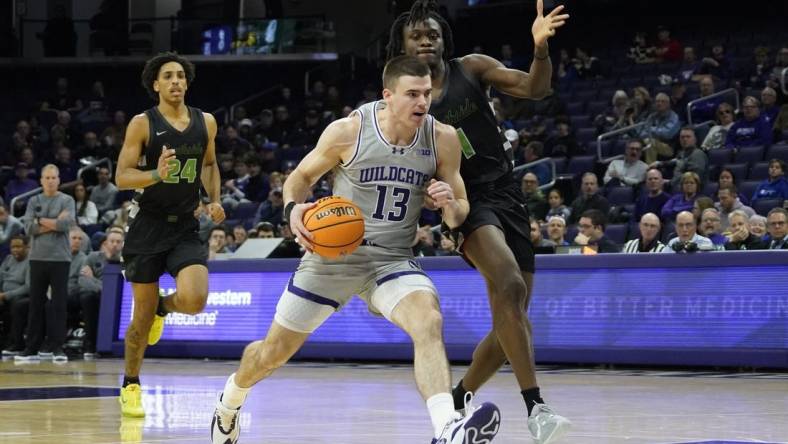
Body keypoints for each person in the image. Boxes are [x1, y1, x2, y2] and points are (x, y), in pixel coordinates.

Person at [210, 55, 501, 444]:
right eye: (412, 94)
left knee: (428, 322)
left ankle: (446, 428)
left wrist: (449, 201)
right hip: (333, 257)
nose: (422, 103)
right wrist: (295, 208)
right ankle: (231, 400)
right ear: (387, 96)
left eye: (427, 94)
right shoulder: (349, 131)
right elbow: (300, 178)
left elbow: (458, 213)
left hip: (392, 259)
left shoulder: (442, 137)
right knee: (272, 355)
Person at [387, 1, 572, 440]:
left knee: (512, 316)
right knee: (510, 286)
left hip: (506, 192)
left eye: (433, 33)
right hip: (465, 202)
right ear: (403, 46)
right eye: (417, 35)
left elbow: (535, 88)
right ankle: (537, 409)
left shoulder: (471, 68)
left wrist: (540, 49)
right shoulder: (405, 98)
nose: (427, 39)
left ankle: (459, 396)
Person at [114, 52, 225, 417]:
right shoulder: (141, 124)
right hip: (147, 225)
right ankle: (131, 383)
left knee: (195, 299)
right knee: (140, 321)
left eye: (181, 76)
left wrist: (213, 200)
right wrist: (156, 175)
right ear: (156, 85)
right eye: (168, 76)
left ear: (186, 83)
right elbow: (122, 177)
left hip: (185, 226)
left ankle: (166, 305)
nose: (176, 81)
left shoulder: (205, 121)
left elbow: (209, 164)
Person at [15, 165, 75, 363]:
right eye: (47, 177)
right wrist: (52, 223)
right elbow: (29, 228)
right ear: (41, 180)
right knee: (35, 304)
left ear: (59, 180)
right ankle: (31, 348)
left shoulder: (67, 200)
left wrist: (40, 220)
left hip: (60, 258)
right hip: (37, 258)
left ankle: (57, 347)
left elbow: (66, 225)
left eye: (54, 177)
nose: (50, 181)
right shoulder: (34, 200)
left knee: (58, 304)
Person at [78, 230, 123, 359]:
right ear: (106, 243)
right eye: (112, 241)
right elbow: (82, 280)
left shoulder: (126, 261)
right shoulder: (93, 257)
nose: (114, 244)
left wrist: (93, 279)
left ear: (122, 244)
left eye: (118, 242)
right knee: (87, 297)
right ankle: (90, 346)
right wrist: (104, 288)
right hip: (97, 295)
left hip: (119, 298)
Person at [0, 235, 30, 356]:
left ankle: (17, 343)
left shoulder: (31, 262)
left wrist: (5, 295)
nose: (15, 250)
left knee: (17, 304)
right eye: (13, 247)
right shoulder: (8, 259)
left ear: (27, 247)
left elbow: (28, 287)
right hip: (3, 294)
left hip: (21, 296)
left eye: (19, 247)